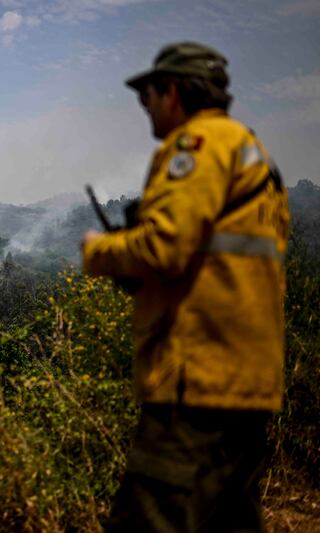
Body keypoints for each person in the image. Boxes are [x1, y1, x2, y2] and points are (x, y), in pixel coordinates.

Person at [81, 42, 290, 532]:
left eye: (147, 96)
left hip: (196, 379)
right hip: (250, 380)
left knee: (148, 519)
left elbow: (165, 248)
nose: (145, 108)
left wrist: (99, 251)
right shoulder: (255, 154)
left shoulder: (195, 146)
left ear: (172, 91)